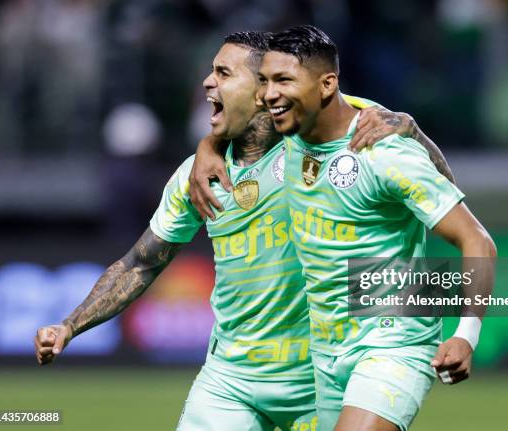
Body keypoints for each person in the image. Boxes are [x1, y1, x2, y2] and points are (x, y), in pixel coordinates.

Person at [34, 31, 425, 431]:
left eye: (222, 72)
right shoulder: (196, 175)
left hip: (321, 380)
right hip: (231, 380)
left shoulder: (321, 148)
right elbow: (140, 263)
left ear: (264, 90)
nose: (207, 82)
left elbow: (425, 180)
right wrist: (70, 325)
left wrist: (411, 128)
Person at [253, 26, 496, 431]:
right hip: (326, 347)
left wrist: (466, 334)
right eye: (264, 81)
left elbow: (476, 239)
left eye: (283, 80)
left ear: (327, 84)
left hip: (393, 338)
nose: (268, 95)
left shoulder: (381, 148)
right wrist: (207, 151)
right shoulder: (291, 127)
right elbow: (226, 119)